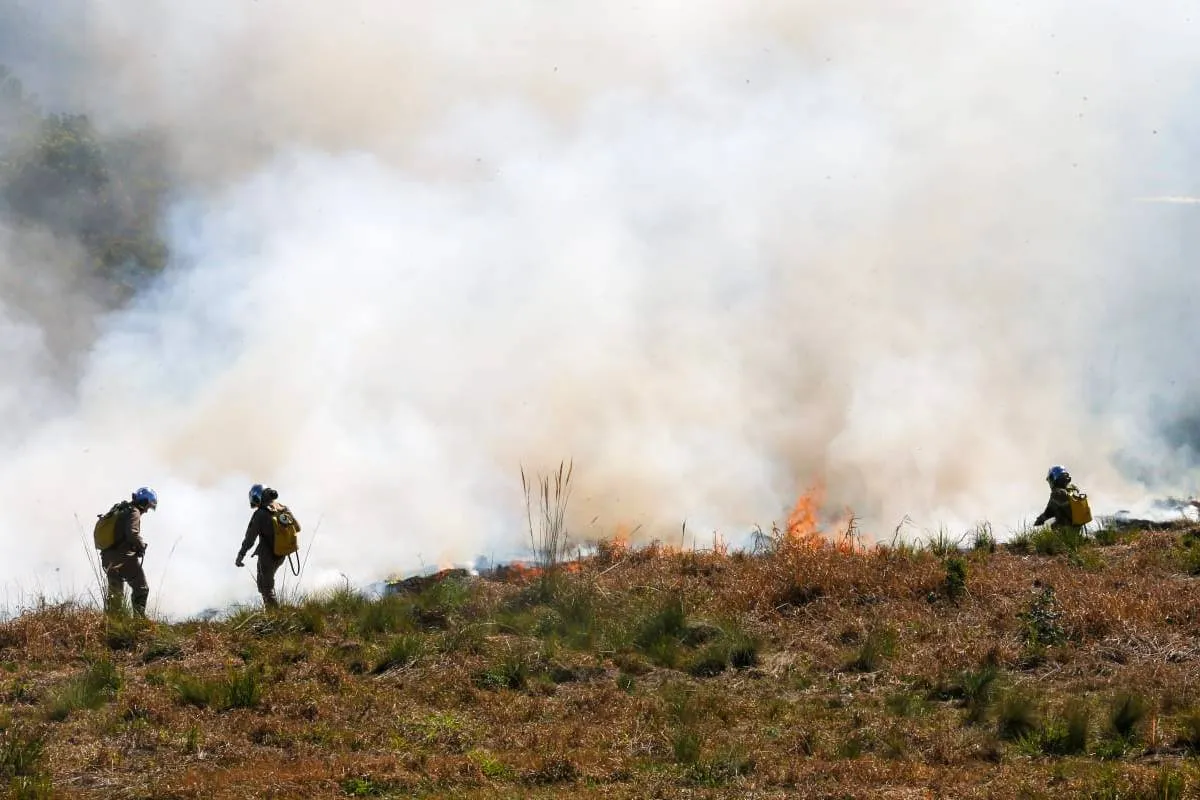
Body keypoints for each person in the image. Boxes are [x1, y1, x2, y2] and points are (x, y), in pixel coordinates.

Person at [236, 484, 298, 608]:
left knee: (266, 588)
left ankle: (275, 617)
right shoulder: (283, 508)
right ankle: (272, 613)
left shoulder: (260, 514)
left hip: (267, 555)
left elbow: (250, 538)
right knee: (265, 585)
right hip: (282, 553)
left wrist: (241, 555)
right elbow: (297, 527)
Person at [100, 487, 158, 617]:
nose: (147, 510)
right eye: (148, 506)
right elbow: (132, 534)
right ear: (144, 502)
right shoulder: (134, 512)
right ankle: (138, 622)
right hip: (124, 559)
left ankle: (112, 624)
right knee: (141, 588)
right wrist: (141, 546)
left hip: (107, 557)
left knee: (115, 593)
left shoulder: (120, 509)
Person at [1032, 465, 1088, 534]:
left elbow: (1049, 511)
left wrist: (1039, 521)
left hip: (1067, 530)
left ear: (1054, 478)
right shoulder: (1071, 489)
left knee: (1052, 526)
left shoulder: (1058, 493)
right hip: (1077, 528)